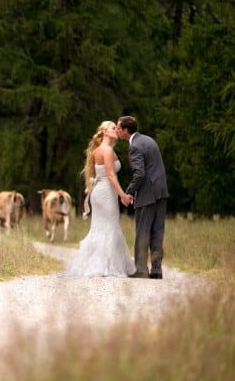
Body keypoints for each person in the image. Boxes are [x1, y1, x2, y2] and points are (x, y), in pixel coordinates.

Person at [63, 121, 136, 277]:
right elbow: (110, 175)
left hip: (101, 192)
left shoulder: (100, 150)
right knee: (110, 227)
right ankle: (106, 267)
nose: (117, 129)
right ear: (104, 132)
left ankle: (100, 265)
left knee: (101, 227)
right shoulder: (107, 150)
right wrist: (123, 195)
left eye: (117, 128)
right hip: (105, 193)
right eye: (113, 128)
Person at [117, 115, 168, 279]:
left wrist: (129, 192)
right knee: (157, 231)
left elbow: (139, 174)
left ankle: (141, 269)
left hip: (147, 193)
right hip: (161, 191)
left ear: (126, 130)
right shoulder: (149, 140)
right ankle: (157, 270)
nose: (117, 130)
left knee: (143, 231)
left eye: (118, 128)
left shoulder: (135, 147)